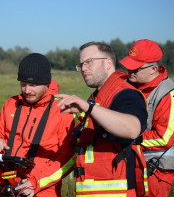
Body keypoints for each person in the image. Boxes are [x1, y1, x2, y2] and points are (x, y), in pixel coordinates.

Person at [55, 42, 149, 196]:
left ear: (108, 63)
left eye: (89, 62)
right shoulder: (96, 98)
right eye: (81, 65)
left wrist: (89, 108)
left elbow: (132, 129)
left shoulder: (125, 94)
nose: (83, 69)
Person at [0, 53, 76, 197]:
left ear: (46, 83)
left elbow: (69, 157)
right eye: (23, 84)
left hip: (42, 191)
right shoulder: (10, 104)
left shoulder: (63, 111)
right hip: (5, 188)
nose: (26, 90)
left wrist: (37, 182)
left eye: (32, 85)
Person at [119, 39, 174, 197]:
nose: (130, 72)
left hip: (156, 173)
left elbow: (164, 138)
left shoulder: (168, 94)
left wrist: (128, 136)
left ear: (153, 69)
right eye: (129, 67)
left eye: (135, 68)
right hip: (130, 165)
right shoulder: (129, 86)